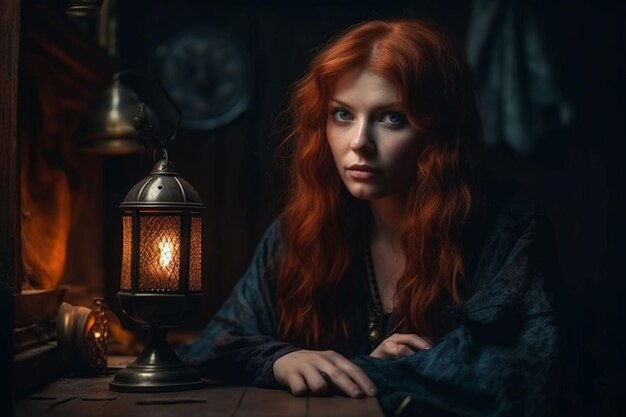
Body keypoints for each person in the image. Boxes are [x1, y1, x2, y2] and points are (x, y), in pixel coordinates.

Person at [179, 19, 570, 417]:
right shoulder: (302, 231)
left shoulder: (508, 231)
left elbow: (518, 372)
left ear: (438, 134)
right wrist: (280, 359)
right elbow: (215, 343)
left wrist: (376, 370)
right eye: (343, 115)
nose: (359, 142)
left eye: (391, 118)